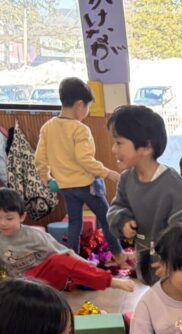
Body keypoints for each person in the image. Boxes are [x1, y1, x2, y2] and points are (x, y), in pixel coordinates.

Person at [106, 105, 182, 285]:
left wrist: (175, 257)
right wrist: (123, 221)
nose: (113, 149)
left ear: (146, 147)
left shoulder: (170, 183)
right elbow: (117, 207)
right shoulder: (126, 179)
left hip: (172, 274)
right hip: (145, 267)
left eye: (119, 142)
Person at [35, 78, 124, 263]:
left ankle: (73, 260)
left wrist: (46, 177)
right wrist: (109, 173)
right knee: (106, 218)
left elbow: (40, 158)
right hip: (87, 185)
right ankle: (119, 255)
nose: (87, 111)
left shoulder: (47, 127)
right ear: (79, 104)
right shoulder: (80, 129)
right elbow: (85, 160)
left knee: (74, 224)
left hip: (65, 186)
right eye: (88, 107)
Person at [0, 188, 134, 293]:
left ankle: (110, 281)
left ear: (22, 216)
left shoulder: (34, 235)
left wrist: (87, 265)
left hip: (42, 279)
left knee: (58, 260)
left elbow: (64, 253)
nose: (3, 223)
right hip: (17, 287)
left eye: (9, 218)